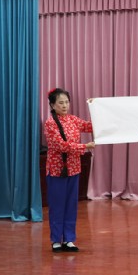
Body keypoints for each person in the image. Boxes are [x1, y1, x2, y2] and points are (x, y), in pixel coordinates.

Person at [44, 88, 95, 253]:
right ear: (53, 105)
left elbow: (89, 126)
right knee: (57, 205)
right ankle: (56, 240)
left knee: (71, 205)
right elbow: (61, 145)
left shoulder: (73, 119)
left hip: (74, 168)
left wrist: (96, 109)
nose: (65, 105)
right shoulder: (50, 123)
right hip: (57, 170)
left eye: (67, 102)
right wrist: (84, 146)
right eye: (61, 102)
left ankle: (69, 239)